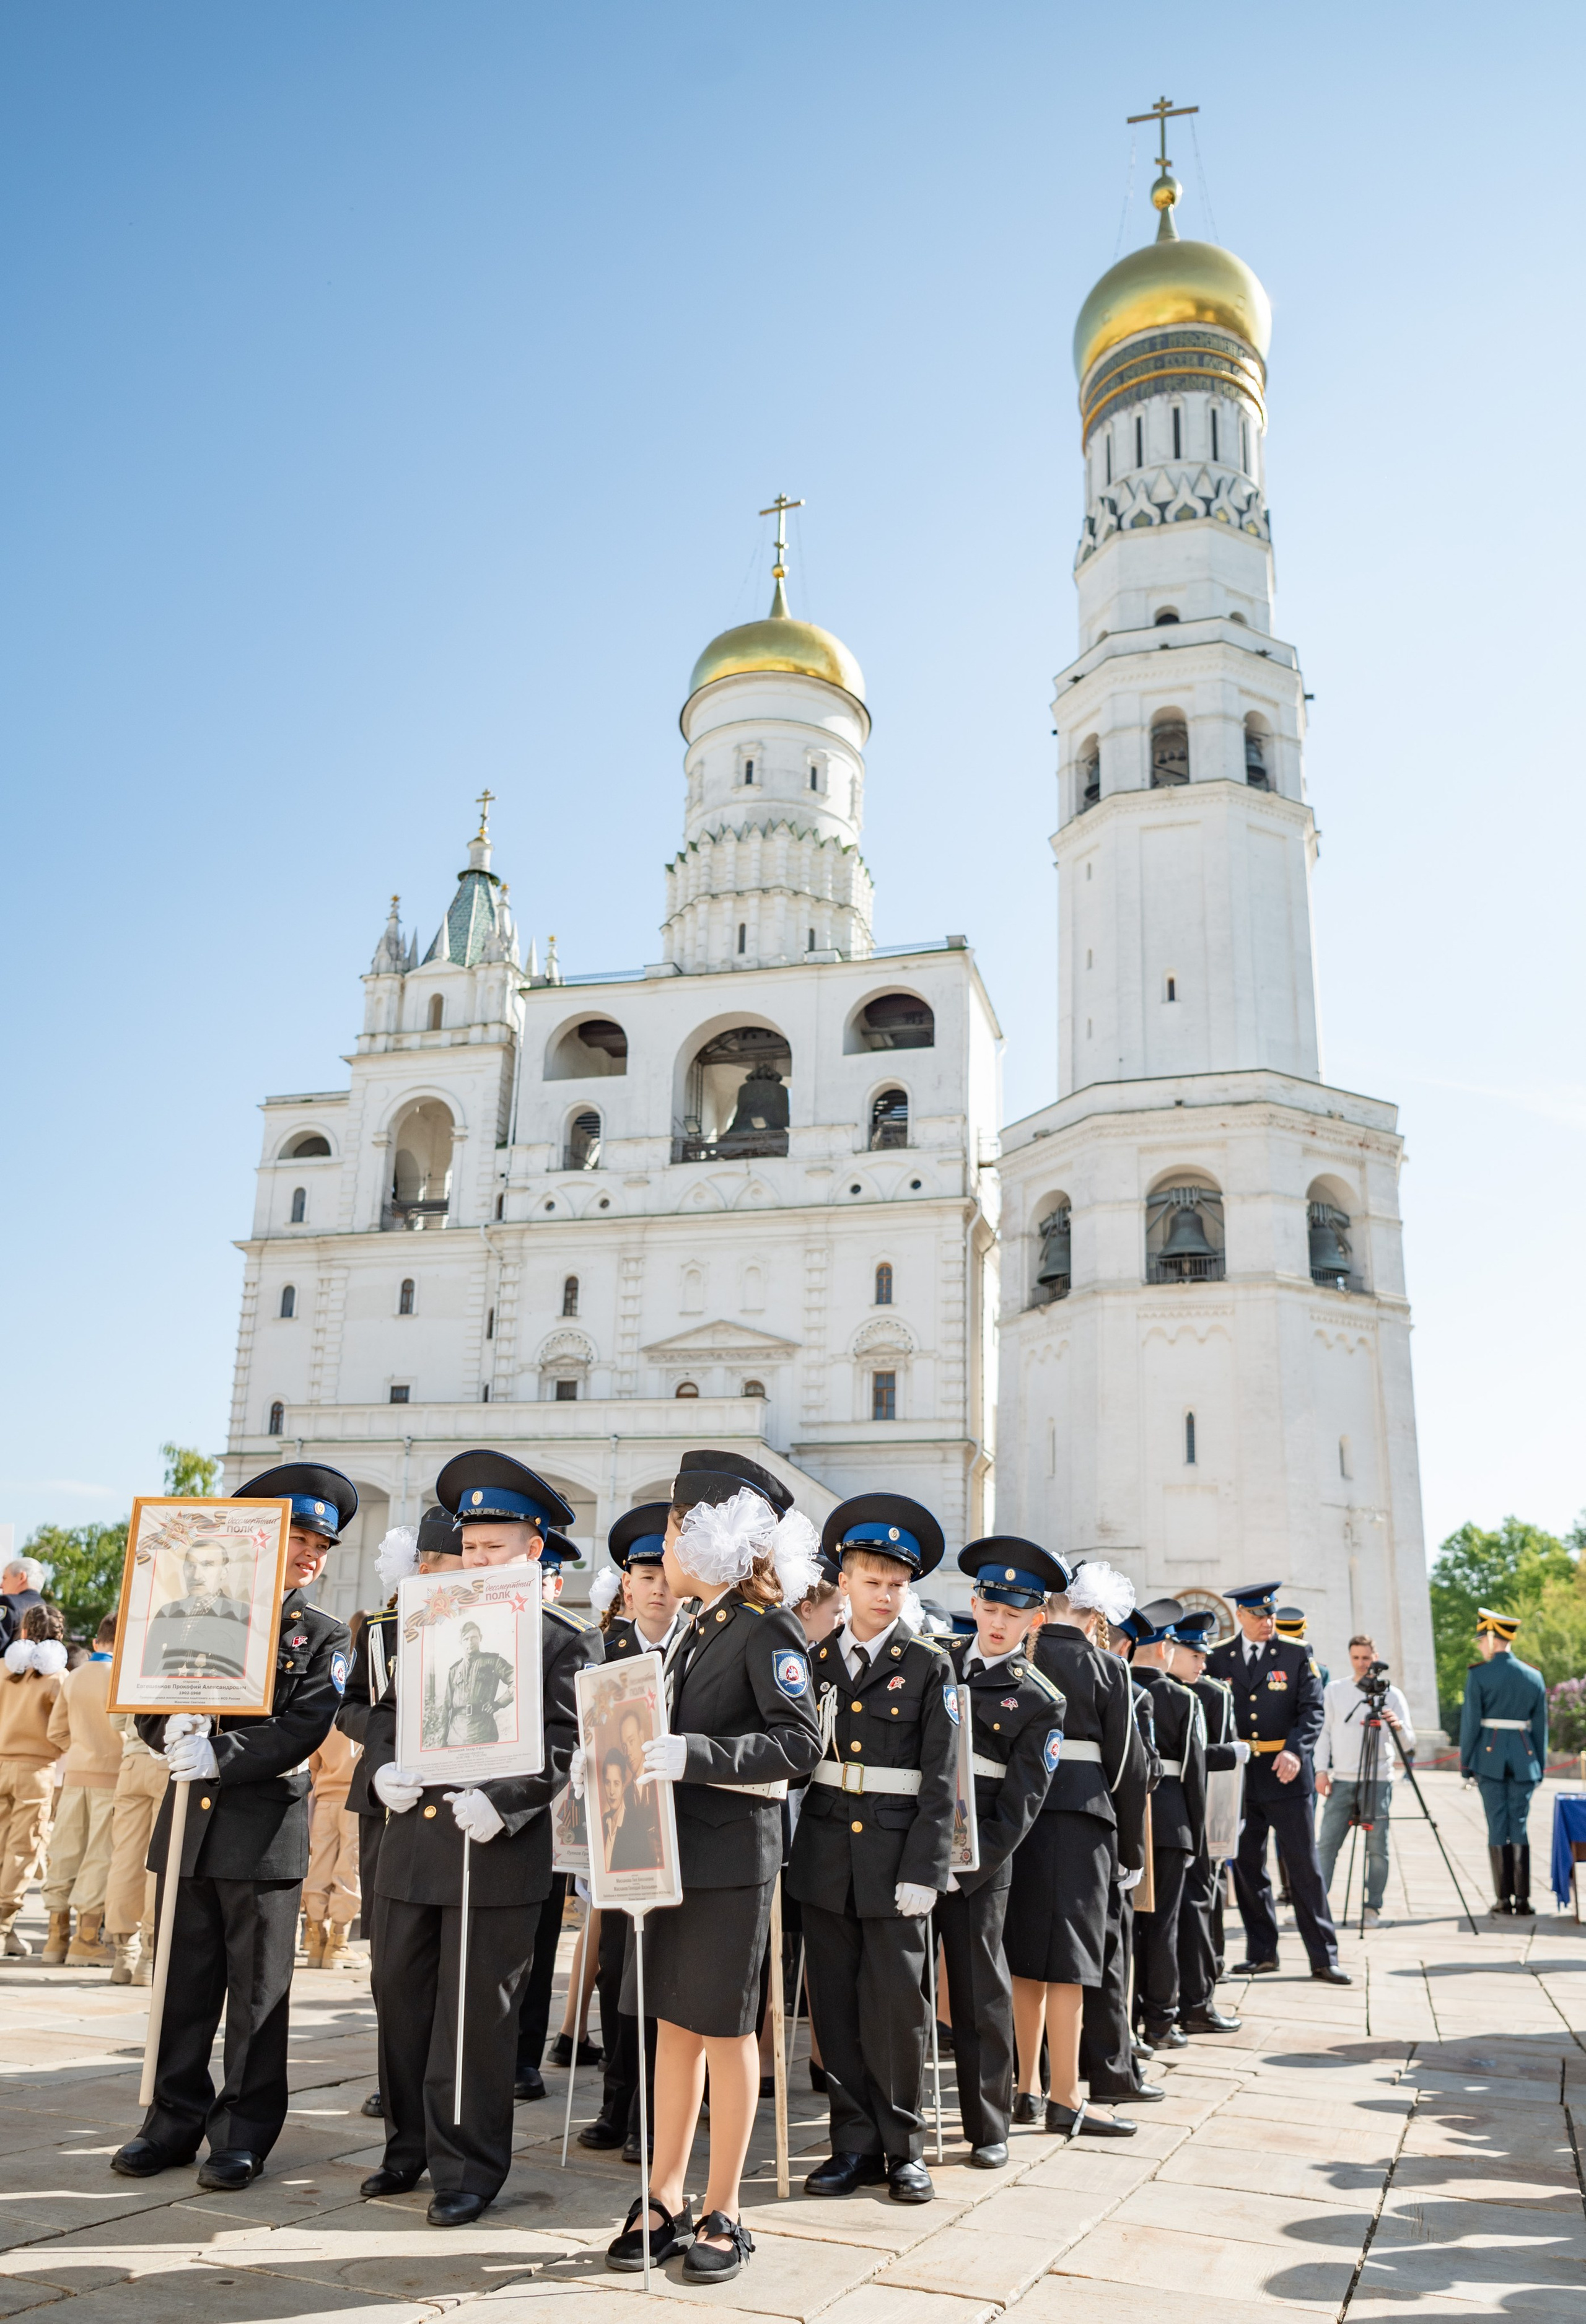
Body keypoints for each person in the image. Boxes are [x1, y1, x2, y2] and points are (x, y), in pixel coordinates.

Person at [595, 1448, 822, 2283]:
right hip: (673, 1855)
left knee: (725, 2033)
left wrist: (693, 1752)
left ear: (714, 1539)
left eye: (672, 1531)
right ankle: (663, 2193)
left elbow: (801, 1741)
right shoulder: (699, 1628)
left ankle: (725, 2204)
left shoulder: (766, 1626)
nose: (663, 1549)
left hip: (731, 1855)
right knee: (672, 2026)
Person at [360, 1451, 596, 2227]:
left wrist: (507, 1802)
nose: (477, 1560)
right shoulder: (429, 1617)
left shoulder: (563, 1641)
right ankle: (407, 2147)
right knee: (401, 2000)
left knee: (476, 2017)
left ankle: (469, 2166)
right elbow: (392, 1711)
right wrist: (386, 1768)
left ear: (533, 1550)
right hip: (414, 1844)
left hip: (493, 1848)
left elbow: (569, 1743)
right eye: (469, 1548)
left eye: (493, 1548)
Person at [111, 1463, 355, 2190]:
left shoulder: (322, 1634)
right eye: (298, 1537)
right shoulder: (188, 1613)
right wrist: (167, 1729)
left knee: (256, 1998)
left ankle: (242, 2133)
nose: (310, 1553)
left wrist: (219, 1751)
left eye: (321, 1544)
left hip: (263, 1833)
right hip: (190, 1828)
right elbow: (151, 1700)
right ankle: (169, 2122)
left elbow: (305, 1725)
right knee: (181, 1987)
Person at [789, 1492, 958, 2204]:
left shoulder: (927, 1665)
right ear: (846, 1583)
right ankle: (850, 2142)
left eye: (896, 1583)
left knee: (894, 2008)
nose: (885, 1594)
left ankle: (903, 2146)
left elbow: (942, 1777)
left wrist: (927, 1867)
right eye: (872, 1581)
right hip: (827, 1860)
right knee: (834, 2007)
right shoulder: (815, 1659)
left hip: (895, 1866)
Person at [939, 1539, 1067, 2169]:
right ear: (974, 1600)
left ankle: (988, 2126)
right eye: (991, 1606)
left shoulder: (1040, 1697)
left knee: (979, 1992)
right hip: (908, 1849)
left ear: (1033, 1619)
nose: (997, 1622)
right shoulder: (933, 1660)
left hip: (979, 1861)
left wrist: (968, 1862)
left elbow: (1021, 1803)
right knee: (897, 1991)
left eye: (1013, 1614)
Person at [338, 1506, 459, 2122]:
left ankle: (435, 2083)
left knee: (446, 1965)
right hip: (386, 1799)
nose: (432, 1574)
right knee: (388, 1958)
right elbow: (351, 1705)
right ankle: (395, 2076)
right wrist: (388, 1753)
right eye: (428, 1564)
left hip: (454, 1806)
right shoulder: (384, 1624)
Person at [1010, 1557, 1139, 2138]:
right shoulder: (1109, 1668)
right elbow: (1128, 1769)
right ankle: (1065, 2095)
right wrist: (1133, 1849)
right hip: (1084, 1821)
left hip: (1019, 1818)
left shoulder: (1020, 1659)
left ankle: (1024, 2089)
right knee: (1071, 1965)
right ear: (1095, 1614)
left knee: (1024, 1959)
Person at [579, 1504, 678, 2160]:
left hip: (679, 1834)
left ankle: (655, 2113)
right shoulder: (602, 1650)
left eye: (668, 1572)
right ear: (627, 1581)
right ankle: (617, 2103)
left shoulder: (699, 1646)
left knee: (665, 1977)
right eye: (647, 1573)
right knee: (617, 1972)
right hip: (617, 1834)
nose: (660, 1586)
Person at [1204, 1581, 1349, 1985]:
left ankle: (1324, 1957)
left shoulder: (1297, 1653)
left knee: (1305, 1868)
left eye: (1271, 1614)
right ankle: (1262, 1953)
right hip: (1241, 1778)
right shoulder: (1219, 1658)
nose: (1269, 1622)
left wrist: (1294, 1750)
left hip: (1287, 1775)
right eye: (1259, 1615)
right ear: (1241, 1617)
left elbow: (1313, 1710)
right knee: (1248, 1870)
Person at [511, 1529, 600, 2102]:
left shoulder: (563, 1639)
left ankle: (522, 2056)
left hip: (543, 1806)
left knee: (538, 1942)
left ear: (555, 1583)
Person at [1121, 1602, 1208, 2052]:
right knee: (1163, 1927)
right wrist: (1198, 1834)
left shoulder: (1120, 1686)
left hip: (1125, 1822)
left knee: (1124, 1929)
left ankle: (1124, 2020)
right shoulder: (1183, 1698)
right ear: (1164, 1648)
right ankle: (1159, 2020)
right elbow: (1195, 1776)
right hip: (1171, 1824)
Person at [1162, 1608, 1245, 2031]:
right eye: (1195, 1654)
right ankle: (1188, 2000)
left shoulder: (1210, 1693)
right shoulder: (1180, 1693)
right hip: (1181, 1816)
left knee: (1196, 1908)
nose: (1202, 1663)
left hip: (1196, 1814)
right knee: (1185, 1911)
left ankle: (1194, 1995)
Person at [1315, 1634, 1416, 1928]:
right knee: (1326, 1845)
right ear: (1350, 1658)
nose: (1362, 1664)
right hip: (1343, 1779)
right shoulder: (1334, 1690)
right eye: (1356, 1658)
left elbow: (1409, 1743)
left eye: (1367, 1658)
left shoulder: (1392, 1694)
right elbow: (1323, 1734)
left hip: (1378, 1780)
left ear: (1376, 1658)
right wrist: (1321, 1771)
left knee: (1377, 1847)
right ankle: (1316, 1907)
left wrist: (1396, 1724)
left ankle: (1373, 1907)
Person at [41, 1614, 122, 1965]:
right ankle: (86, 1940)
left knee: (66, 1853)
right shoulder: (125, 1680)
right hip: (114, 1777)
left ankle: (54, 1940)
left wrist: (80, 1750)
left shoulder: (74, 1677)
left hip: (75, 1776)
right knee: (100, 1857)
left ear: (95, 1642)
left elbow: (56, 1733)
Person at [1459, 1607, 1548, 1918]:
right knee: (1519, 1825)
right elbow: (1541, 1728)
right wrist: (1540, 1766)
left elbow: (1470, 1724)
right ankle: (1523, 1900)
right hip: (1526, 1758)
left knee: (1498, 1824)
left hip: (1489, 1757)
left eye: (1482, 1639)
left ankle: (1503, 1900)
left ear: (1493, 1638)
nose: (1480, 1645)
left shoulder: (1479, 1674)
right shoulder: (1533, 1675)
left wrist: (1466, 1764)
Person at [0, 1604, 69, 1956]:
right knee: (22, 1852)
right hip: (36, 1771)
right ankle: (2, 1928)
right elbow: (63, 1732)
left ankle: (6, 1932)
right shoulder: (59, 1677)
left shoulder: (3, 1668)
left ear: (23, 1633)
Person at [105, 1699, 167, 1984]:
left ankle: (124, 1953)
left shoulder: (137, 1658)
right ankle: (150, 1956)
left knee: (125, 1859)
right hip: (168, 1762)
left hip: (132, 1762)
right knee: (161, 1861)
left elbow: (118, 1722)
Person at [302, 1719, 359, 1967]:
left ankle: (316, 1941)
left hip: (324, 1800)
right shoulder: (369, 1713)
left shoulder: (329, 1716)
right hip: (357, 1803)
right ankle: (338, 1943)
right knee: (350, 1869)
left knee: (318, 1868)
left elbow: (313, 1767)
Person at [0, 1558, 48, 1658]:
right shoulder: (47, 1610)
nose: (1, 1585)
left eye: (5, 1578)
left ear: (22, 1577)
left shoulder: (8, 1603)